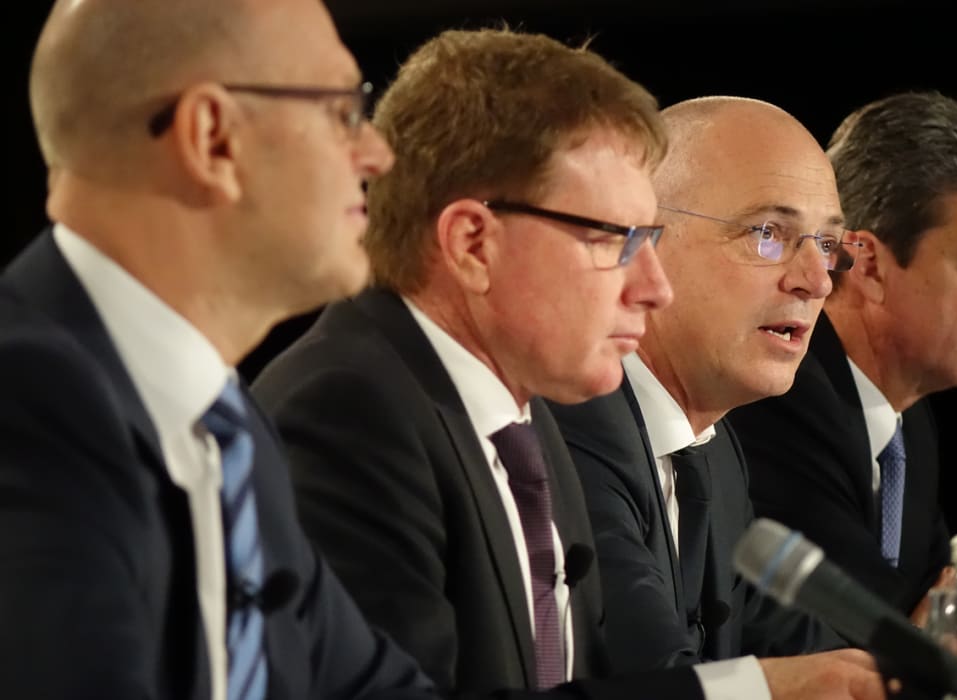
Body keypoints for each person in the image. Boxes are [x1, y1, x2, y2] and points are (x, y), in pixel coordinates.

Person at [0, 3, 687, 700]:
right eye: (340, 112)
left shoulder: (228, 429)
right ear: (213, 139)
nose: (376, 155)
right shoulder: (31, 407)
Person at [250, 28, 887, 700]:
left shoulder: (524, 428)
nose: (653, 287)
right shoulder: (353, 412)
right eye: (615, 240)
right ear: (472, 244)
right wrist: (760, 690)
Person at [548, 95, 877, 697]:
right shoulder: (574, 423)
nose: (817, 281)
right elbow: (652, 677)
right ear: (644, 241)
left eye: (827, 244)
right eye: (768, 233)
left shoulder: (716, 450)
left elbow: (801, 649)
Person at [729, 90, 957, 621]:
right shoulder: (779, 400)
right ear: (868, 265)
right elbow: (871, 634)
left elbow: (936, 607)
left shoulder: (907, 425)